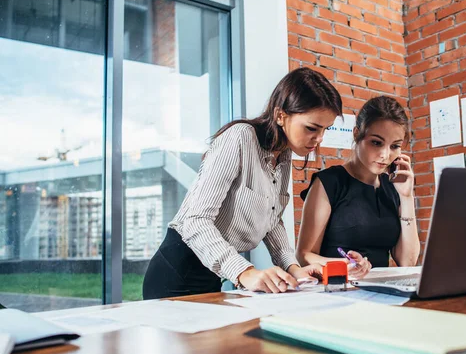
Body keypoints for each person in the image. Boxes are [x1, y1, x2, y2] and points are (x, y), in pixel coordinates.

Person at [143, 67, 343, 299]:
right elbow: (194, 221)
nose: (319, 140)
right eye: (312, 128)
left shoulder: (284, 154)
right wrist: (245, 272)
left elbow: (272, 219)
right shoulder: (240, 137)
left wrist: (294, 269)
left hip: (213, 273)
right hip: (175, 271)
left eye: (325, 130)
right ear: (281, 115)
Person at [296, 96, 420, 279]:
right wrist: (344, 265)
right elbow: (304, 255)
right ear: (357, 134)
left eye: (395, 146)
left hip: (380, 290)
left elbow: (408, 262)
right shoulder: (329, 182)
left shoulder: (393, 188)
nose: (385, 155)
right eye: (376, 143)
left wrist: (407, 197)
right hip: (338, 288)